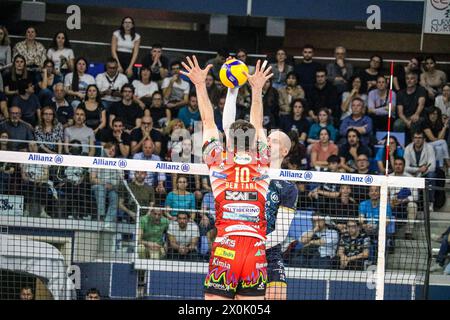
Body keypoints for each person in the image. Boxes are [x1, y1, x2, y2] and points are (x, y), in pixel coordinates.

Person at [181, 55, 272, 300]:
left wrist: (200, 85)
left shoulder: (217, 159)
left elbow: (208, 120)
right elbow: (258, 124)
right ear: (254, 142)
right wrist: (256, 89)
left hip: (227, 245)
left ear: (228, 140)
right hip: (255, 249)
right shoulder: (263, 162)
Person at [263, 130, 297, 300]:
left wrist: (255, 246)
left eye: (274, 141)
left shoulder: (288, 188)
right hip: (241, 253)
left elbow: (281, 233)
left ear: (284, 151)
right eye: (267, 139)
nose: (268, 143)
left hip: (270, 255)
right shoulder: (248, 174)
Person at [90, 143, 124, 224]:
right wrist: (104, 183)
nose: (111, 151)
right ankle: (101, 217)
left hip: (112, 188)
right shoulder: (96, 161)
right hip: (99, 186)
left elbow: (121, 181)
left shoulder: (118, 163)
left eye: (113, 150)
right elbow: (92, 179)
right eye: (109, 149)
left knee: (115, 197)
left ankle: (108, 221)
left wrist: (112, 186)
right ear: (104, 149)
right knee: (101, 189)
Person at [403, 130, 437, 211]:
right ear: (413, 139)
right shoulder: (408, 148)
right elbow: (405, 167)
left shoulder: (429, 148)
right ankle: (411, 203)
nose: (417, 140)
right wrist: (418, 169)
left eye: (420, 138)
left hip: (425, 173)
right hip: (412, 173)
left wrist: (423, 170)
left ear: (424, 139)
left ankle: (430, 203)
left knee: (431, 175)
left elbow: (432, 167)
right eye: (415, 138)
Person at [389, 157, 419, 240]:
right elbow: (384, 193)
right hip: (392, 202)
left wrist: (403, 200)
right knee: (386, 205)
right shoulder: (388, 177)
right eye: (396, 164)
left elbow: (416, 196)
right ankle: (390, 232)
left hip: (405, 202)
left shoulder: (410, 178)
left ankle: (408, 233)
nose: (398, 166)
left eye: (400, 164)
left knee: (413, 205)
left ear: (404, 166)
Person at [393, 73, 427, 138]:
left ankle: (414, 145)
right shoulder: (400, 93)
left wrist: (416, 114)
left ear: (416, 81)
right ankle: (400, 144)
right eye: (407, 78)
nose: (409, 80)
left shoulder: (421, 90)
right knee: (397, 124)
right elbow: (400, 113)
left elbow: (421, 104)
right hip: (405, 117)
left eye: (412, 78)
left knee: (415, 123)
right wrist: (406, 121)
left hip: (418, 115)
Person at [422, 106, 450, 174]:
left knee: (439, 148)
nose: (433, 116)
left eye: (435, 114)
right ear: (428, 115)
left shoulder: (439, 123)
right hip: (425, 145)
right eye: (432, 114)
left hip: (435, 145)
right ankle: (449, 165)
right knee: (443, 142)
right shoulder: (425, 123)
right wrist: (438, 140)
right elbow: (432, 139)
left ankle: (440, 171)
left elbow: (440, 138)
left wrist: (444, 127)